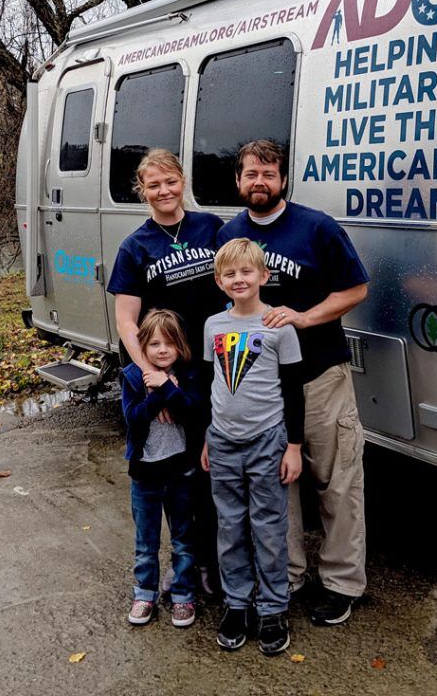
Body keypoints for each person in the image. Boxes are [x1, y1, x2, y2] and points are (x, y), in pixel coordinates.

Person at [217, 140, 370, 627]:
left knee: (336, 480)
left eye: (268, 172)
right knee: (274, 485)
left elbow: (356, 289)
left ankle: (343, 583)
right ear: (238, 181)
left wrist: (305, 318)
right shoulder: (231, 235)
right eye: (249, 174)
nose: (258, 181)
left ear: (283, 179)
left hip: (319, 375)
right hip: (260, 389)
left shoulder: (317, 227)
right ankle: (286, 576)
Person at [107, 149, 223, 592]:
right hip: (170, 371)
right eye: (153, 185)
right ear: (143, 191)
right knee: (181, 472)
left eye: (170, 181)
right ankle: (186, 573)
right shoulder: (136, 246)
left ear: (182, 181)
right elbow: (125, 321)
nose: (164, 191)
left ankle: (213, 564)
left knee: (213, 468)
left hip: (213, 365)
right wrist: (153, 376)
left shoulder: (210, 228)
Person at [201, 238, 304, 656]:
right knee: (229, 527)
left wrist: (293, 446)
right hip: (223, 441)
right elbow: (212, 383)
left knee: (269, 528)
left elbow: (295, 391)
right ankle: (237, 604)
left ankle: (273, 608)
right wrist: (209, 435)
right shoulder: (213, 325)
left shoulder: (280, 326)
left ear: (263, 276)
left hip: (268, 440)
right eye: (230, 274)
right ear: (220, 282)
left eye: (247, 272)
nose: (239, 279)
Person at [121, 309, 205, 627]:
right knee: (146, 542)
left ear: (180, 346)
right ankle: (144, 594)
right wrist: (157, 391)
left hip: (180, 473)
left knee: (184, 537)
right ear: (143, 347)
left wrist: (170, 388)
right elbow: (135, 417)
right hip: (145, 476)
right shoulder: (131, 377)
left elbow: (193, 410)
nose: (162, 350)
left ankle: (183, 596)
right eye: (154, 343)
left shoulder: (188, 377)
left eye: (170, 343)